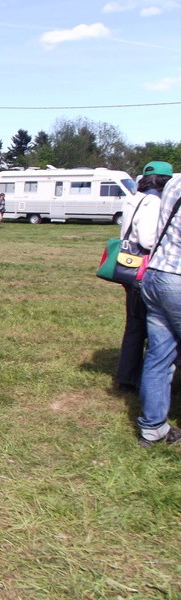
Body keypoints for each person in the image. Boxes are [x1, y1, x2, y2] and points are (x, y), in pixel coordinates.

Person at [136, 161, 181, 447]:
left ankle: (152, 429)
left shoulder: (175, 182)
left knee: (159, 357)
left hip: (156, 274)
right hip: (177, 278)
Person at [115, 162, 167, 391]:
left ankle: (126, 375)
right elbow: (146, 239)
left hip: (128, 266)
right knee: (150, 327)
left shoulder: (132, 199)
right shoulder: (153, 202)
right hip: (143, 270)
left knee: (133, 325)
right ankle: (137, 378)